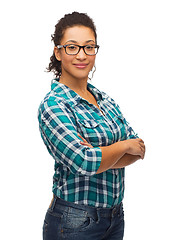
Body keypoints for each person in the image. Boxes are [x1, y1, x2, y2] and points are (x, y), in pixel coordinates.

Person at [38, 11, 145, 240]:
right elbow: (84, 162)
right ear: (58, 52)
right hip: (74, 222)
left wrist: (104, 154)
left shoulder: (104, 100)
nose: (82, 55)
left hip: (116, 218)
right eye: (72, 47)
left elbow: (139, 149)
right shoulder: (53, 106)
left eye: (89, 47)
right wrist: (122, 145)